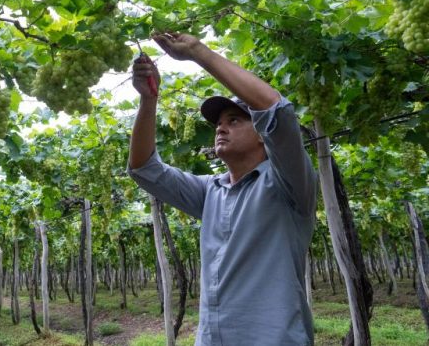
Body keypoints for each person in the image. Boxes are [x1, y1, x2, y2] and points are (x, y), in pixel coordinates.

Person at [128, 32, 318, 345]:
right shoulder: (210, 192)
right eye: (218, 123)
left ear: (262, 135)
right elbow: (144, 168)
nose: (220, 127)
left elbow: (276, 110)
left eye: (234, 120)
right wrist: (149, 100)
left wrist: (197, 52)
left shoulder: (289, 184)